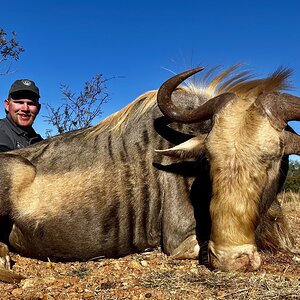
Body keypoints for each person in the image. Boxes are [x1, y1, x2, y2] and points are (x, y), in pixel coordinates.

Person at [0, 79, 43, 152]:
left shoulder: (39, 141)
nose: (25, 109)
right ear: (7, 105)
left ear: (38, 108)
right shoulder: (2, 132)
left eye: (30, 103)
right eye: (19, 102)